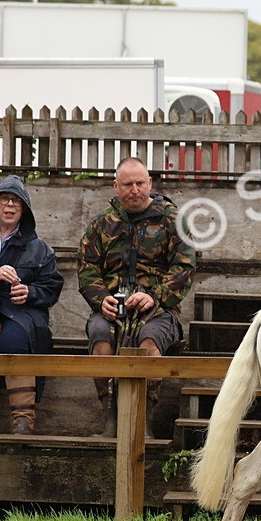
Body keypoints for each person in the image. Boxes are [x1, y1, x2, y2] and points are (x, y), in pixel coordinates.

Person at [78, 156, 196, 437]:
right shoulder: (101, 225)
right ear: (115, 187)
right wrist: (101, 299)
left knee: (150, 341)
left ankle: (143, 421)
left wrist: (155, 297)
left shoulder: (172, 220)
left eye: (140, 183)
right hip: (111, 308)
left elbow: (185, 267)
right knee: (99, 335)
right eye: (128, 184)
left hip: (158, 310)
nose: (135, 190)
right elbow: (86, 268)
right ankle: (110, 419)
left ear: (150, 183)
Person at [0, 176, 64, 434]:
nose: (10, 205)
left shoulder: (39, 249)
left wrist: (29, 292)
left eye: (16, 201)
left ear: (24, 210)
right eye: (5, 199)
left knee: (15, 342)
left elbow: (52, 287)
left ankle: (23, 421)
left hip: (14, 311)